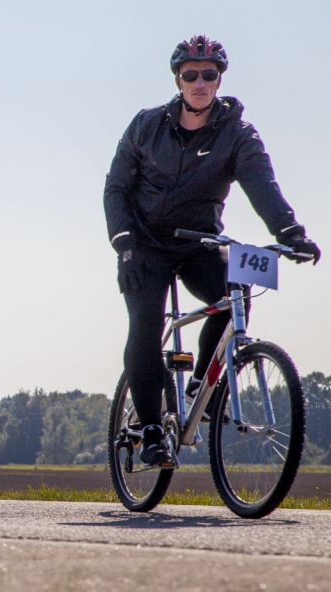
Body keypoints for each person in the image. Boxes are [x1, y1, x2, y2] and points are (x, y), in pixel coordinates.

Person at [104, 35, 321, 467]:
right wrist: (123, 242)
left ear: (219, 79)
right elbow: (116, 188)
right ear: (179, 80)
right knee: (145, 329)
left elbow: (263, 185)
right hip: (144, 246)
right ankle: (150, 431)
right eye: (191, 75)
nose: (200, 82)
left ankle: (199, 385)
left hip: (200, 242)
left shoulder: (238, 134)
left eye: (209, 74)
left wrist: (290, 232)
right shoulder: (146, 126)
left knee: (237, 292)